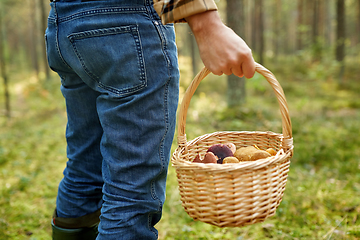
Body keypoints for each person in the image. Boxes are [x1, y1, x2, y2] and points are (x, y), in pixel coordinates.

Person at [45, 0, 255, 239]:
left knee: (83, 170)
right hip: (127, 22)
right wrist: (206, 22)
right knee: (130, 194)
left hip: (64, 20)